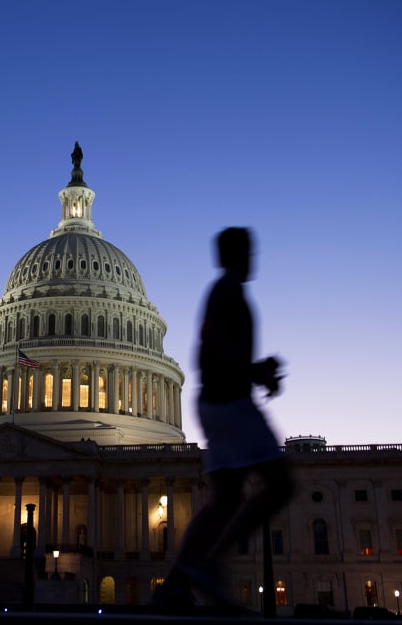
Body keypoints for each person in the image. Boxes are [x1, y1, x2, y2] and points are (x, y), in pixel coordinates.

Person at [152, 226, 293, 610]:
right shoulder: (227, 290)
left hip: (215, 403)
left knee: (224, 499)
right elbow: (213, 342)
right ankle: (212, 561)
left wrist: (256, 368)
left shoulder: (226, 291)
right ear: (238, 255)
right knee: (281, 485)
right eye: (250, 252)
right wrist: (254, 371)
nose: (254, 260)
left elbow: (216, 346)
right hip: (230, 402)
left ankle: (179, 582)